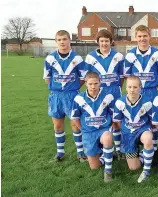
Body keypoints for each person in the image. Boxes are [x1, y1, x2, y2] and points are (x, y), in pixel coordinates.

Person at [43, 30, 87, 162]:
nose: (62, 42)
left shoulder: (77, 58)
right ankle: (60, 153)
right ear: (56, 42)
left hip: (72, 95)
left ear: (69, 40)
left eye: (64, 39)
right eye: (59, 40)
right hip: (56, 96)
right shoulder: (50, 58)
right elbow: (47, 78)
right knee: (57, 125)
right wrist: (57, 88)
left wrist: (72, 88)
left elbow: (83, 77)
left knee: (75, 124)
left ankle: (80, 153)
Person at [84, 29, 125, 159]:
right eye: (101, 41)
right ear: (98, 42)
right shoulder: (90, 57)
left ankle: (119, 149)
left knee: (116, 120)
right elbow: (88, 76)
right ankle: (104, 148)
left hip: (114, 91)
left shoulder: (118, 56)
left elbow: (122, 76)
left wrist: (117, 88)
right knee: (101, 120)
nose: (104, 43)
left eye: (106, 41)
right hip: (99, 93)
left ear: (111, 42)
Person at [125, 25, 158, 152]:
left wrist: (151, 85)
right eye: (140, 36)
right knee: (136, 119)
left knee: (153, 120)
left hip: (152, 92)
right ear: (135, 37)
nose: (142, 39)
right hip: (136, 93)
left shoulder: (157, 53)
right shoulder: (130, 55)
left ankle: (152, 149)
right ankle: (135, 146)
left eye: (145, 36)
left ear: (149, 36)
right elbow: (127, 76)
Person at [70, 72, 115, 182]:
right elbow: (75, 118)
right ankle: (106, 156)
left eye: (96, 83)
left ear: (100, 83)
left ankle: (108, 171)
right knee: (94, 167)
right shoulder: (79, 98)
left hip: (103, 130)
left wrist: (111, 128)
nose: (93, 86)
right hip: (88, 133)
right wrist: (83, 130)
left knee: (107, 137)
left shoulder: (108, 96)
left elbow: (114, 115)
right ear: (85, 83)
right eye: (90, 84)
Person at [113, 76, 154, 183]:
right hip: (128, 134)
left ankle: (146, 171)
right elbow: (117, 122)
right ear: (125, 88)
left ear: (140, 88)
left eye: (135, 87)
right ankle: (143, 154)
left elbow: (153, 121)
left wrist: (150, 131)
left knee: (148, 137)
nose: (132, 90)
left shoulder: (147, 102)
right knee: (133, 167)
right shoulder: (119, 102)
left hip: (142, 129)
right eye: (129, 87)